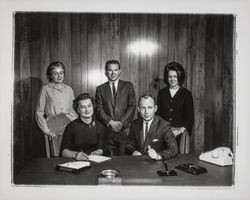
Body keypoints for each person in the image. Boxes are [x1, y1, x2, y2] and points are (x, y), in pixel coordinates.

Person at [35, 61, 77, 157]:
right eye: (55, 73)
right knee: (54, 156)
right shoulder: (45, 89)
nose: (59, 76)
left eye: (61, 73)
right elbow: (39, 112)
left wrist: (76, 126)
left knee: (68, 155)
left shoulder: (69, 89)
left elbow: (72, 110)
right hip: (52, 127)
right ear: (50, 75)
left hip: (68, 125)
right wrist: (46, 130)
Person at [95, 60, 136, 155]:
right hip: (108, 131)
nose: (113, 73)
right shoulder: (100, 89)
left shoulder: (128, 86)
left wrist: (121, 123)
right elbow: (98, 109)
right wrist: (110, 122)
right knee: (109, 159)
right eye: (110, 70)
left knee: (125, 160)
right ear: (106, 72)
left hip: (125, 131)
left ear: (120, 71)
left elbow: (132, 106)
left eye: (115, 70)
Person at [126, 94, 178, 160]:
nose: (146, 112)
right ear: (138, 109)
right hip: (138, 164)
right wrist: (134, 151)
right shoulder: (134, 124)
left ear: (155, 108)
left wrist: (158, 156)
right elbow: (129, 144)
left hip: (157, 165)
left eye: (149, 107)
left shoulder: (164, 125)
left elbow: (174, 149)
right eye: (143, 108)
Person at [157, 62, 194, 154]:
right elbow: (158, 114)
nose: (172, 79)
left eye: (175, 76)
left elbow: (190, 117)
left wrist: (180, 131)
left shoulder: (187, 94)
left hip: (180, 134)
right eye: (170, 76)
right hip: (163, 133)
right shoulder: (161, 93)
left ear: (179, 77)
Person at [60, 93, 105, 160]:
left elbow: (101, 148)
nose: (87, 110)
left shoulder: (99, 126)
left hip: (95, 161)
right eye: (82, 107)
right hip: (75, 162)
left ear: (93, 106)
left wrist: (98, 152)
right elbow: (63, 152)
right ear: (77, 110)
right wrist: (75, 154)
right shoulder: (71, 127)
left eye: (89, 106)